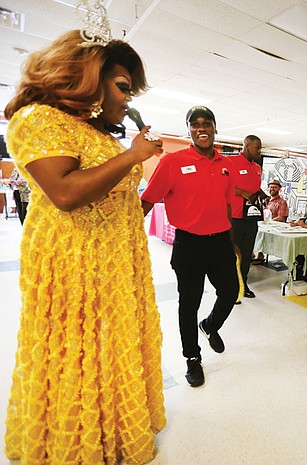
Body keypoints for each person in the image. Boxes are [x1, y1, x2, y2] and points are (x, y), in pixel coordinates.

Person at [3, 30, 166, 464]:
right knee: (75, 353)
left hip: (114, 262)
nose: (127, 99)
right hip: (72, 263)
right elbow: (65, 192)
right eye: (123, 86)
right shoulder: (38, 118)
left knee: (108, 352)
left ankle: (108, 429)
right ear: (87, 77)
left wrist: (131, 154)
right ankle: (74, 444)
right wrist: (133, 156)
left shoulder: (95, 134)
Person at [141, 105, 239, 388]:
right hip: (189, 244)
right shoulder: (172, 162)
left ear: (214, 127)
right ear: (189, 130)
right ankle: (192, 358)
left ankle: (210, 326)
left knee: (230, 291)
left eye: (206, 123)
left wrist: (232, 242)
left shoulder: (225, 164)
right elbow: (148, 202)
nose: (200, 128)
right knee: (189, 303)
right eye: (194, 124)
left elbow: (228, 204)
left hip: (220, 240)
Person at [229, 135, 265, 299]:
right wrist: (244, 194)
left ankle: (243, 284)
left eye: (260, 148)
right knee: (234, 254)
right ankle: (230, 288)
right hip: (235, 217)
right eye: (257, 147)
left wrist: (261, 194)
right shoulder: (231, 163)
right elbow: (225, 186)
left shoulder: (257, 167)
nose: (259, 151)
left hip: (251, 217)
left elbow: (255, 187)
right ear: (246, 145)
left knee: (247, 253)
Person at [252, 178, 288, 264]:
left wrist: (269, 221)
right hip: (265, 225)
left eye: (275, 187)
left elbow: (281, 217)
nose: (272, 189)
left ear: (279, 189)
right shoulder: (267, 201)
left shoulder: (281, 202)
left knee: (260, 231)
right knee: (252, 230)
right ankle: (252, 254)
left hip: (275, 227)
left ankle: (260, 255)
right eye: (271, 187)